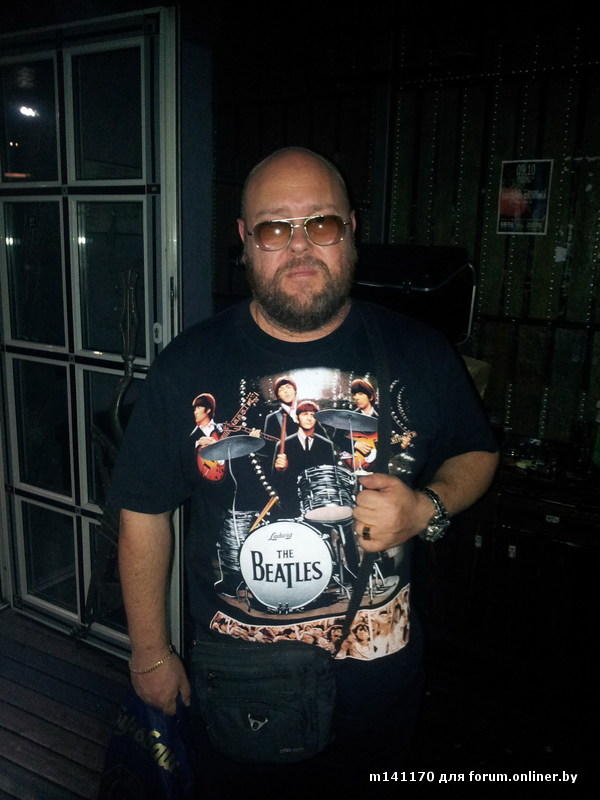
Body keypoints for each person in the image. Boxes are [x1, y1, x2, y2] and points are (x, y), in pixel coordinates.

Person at [109, 146, 498, 787]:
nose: (299, 247)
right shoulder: (187, 364)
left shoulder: (420, 350)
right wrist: (149, 656)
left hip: (382, 683)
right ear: (244, 240)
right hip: (241, 689)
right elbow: (143, 512)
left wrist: (425, 507)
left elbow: (477, 451)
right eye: (274, 228)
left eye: (321, 223)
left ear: (351, 230)